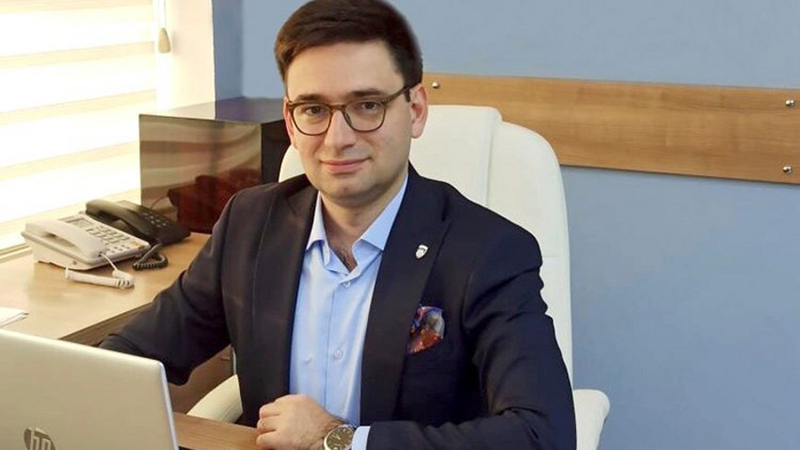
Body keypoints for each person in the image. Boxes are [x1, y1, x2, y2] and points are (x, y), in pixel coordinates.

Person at [101, 0, 576, 449]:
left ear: (415, 110)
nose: (337, 138)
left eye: (367, 105)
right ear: (290, 122)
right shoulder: (250, 224)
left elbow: (542, 435)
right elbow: (129, 359)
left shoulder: (488, 251)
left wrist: (338, 439)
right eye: (314, 110)